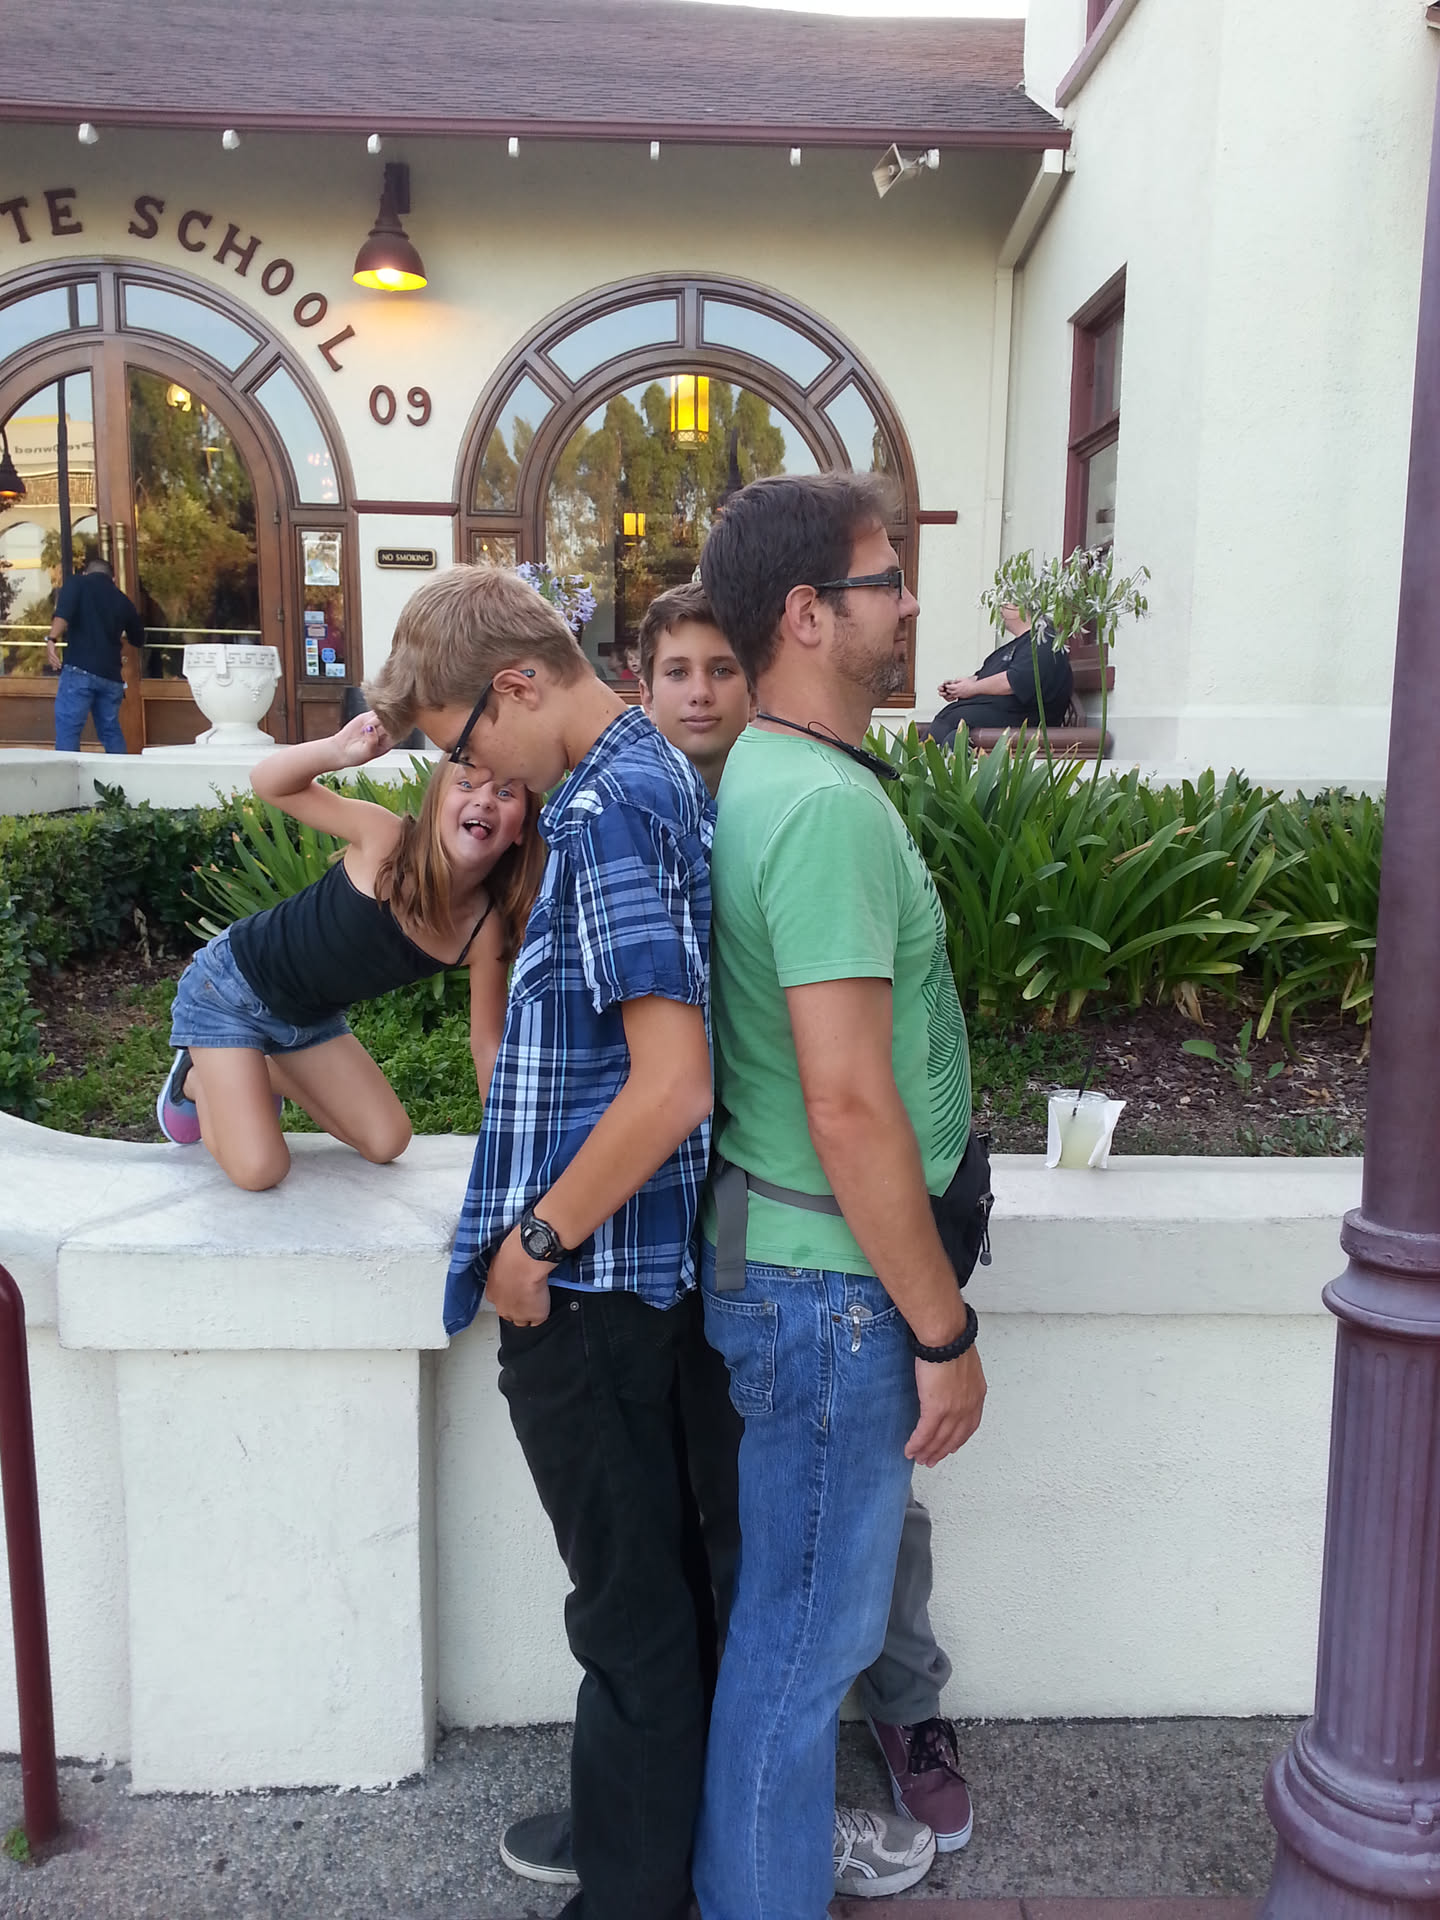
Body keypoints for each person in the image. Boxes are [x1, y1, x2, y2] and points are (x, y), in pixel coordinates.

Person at [364, 563, 734, 1920]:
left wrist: (533, 1242)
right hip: (621, 1281)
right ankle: (636, 1831)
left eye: (461, 740)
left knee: (628, 1613)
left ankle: (632, 1896)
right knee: (651, 1594)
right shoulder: (640, 781)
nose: (471, 774)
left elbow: (673, 1082)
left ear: (516, 685)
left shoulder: (606, 808)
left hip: (589, 1287)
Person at [637, 579, 978, 1877]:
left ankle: (750, 1869)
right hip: (826, 1275)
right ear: (808, 613)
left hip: (761, 1229)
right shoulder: (821, 804)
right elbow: (844, 1099)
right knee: (803, 1640)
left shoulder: (758, 777)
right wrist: (943, 1331)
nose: (910, 602)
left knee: (785, 1611)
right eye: (887, 578)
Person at [156, 713, 542, 1191]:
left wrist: (505, 1148)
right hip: (229, 992)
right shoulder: (387, 840)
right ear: (438, 801)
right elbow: (268, 783)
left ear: (521, 829)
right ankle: (195, 1080)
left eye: (504, 793)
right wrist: (338, 751)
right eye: (466, 784)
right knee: (261, 1170)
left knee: (387, 1140)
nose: (483, 799)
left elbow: (487, 1045)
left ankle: (251, 1072)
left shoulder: (484, 931)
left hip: (309, 1022)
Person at [930, 600, 1072, 750]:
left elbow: (1014, 681)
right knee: (953, 719)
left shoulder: (1043, 642)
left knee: (957, 723)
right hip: (987, 718)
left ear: (1020, 607)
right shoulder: (1012, 647)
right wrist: (957, 687)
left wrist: (972, 688)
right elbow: (984, 676)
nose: (999, 610)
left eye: (1005, 604)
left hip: (1024, 724)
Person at [44, 547, 144, 754]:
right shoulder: (123, 600)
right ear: (113, 579)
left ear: (86, 573)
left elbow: (63, 614)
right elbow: (138, 639)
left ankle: (67, 773)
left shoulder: (77, 583)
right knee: (110, 731)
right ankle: (121, 772)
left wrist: (52, 639)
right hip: (111, 677)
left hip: (79, 670)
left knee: (69, 729)